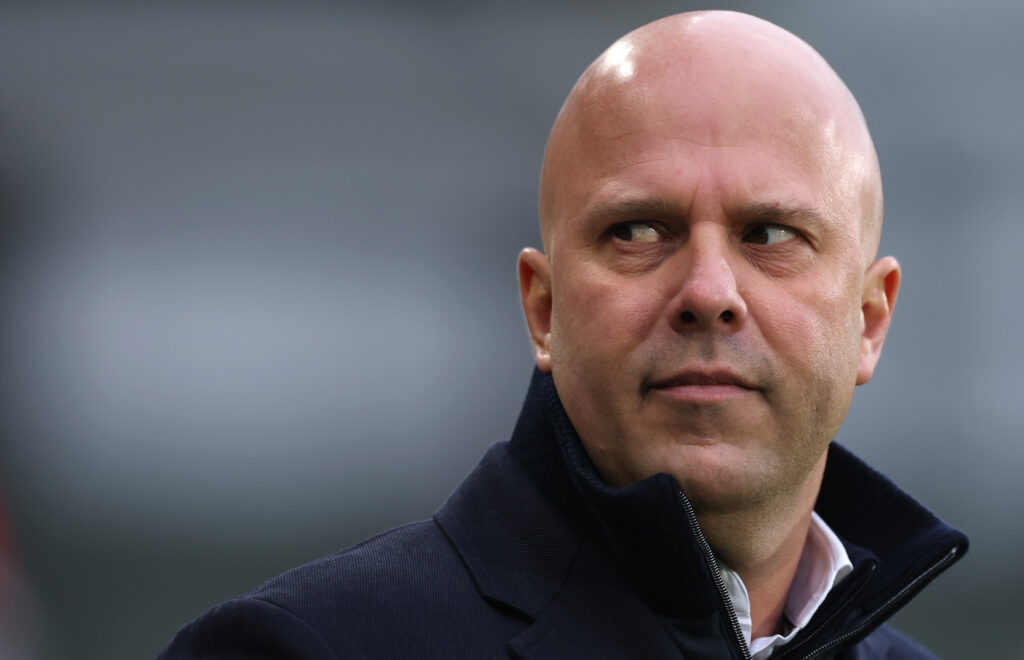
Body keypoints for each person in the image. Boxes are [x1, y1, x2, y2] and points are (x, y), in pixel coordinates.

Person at [158, 11, 967, 659]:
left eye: (770, 235)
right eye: (640, 230)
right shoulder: (303, 648)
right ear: (543, 311)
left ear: (868, 321)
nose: (710, 292)